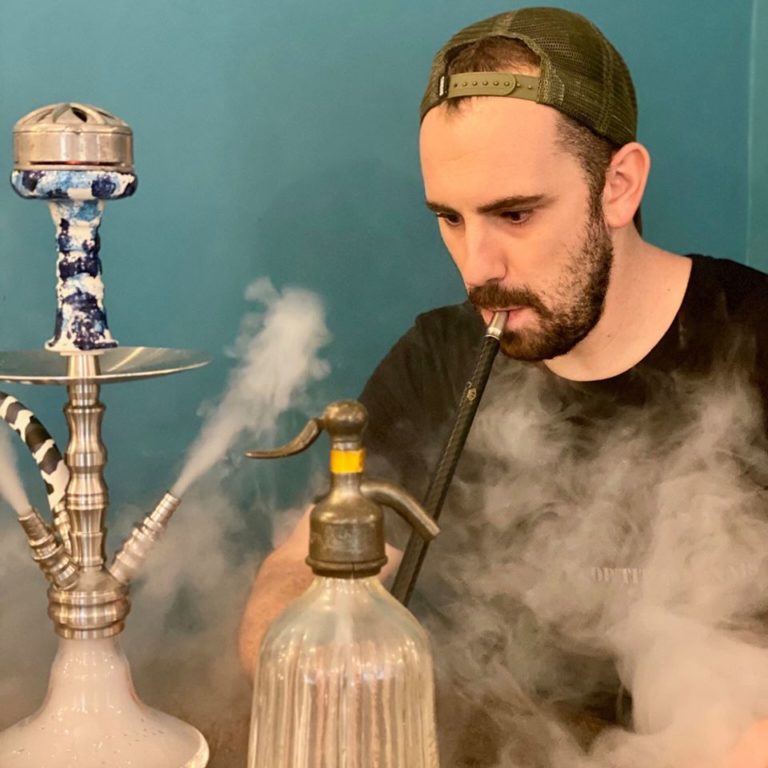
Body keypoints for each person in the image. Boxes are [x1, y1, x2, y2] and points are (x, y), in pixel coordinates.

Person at [240, 7, 768, 766]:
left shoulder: (752, 342)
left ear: (618, 186)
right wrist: (312, 664)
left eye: (515, 214)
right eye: (450, 219)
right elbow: (298, 569)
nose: (477, 266)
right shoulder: (438, 359)